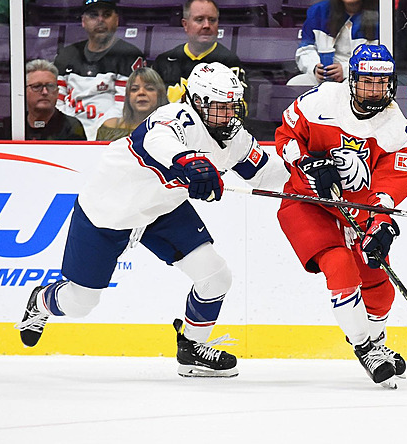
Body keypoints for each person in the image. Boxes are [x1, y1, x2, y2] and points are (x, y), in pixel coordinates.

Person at [15, 62, 288, 378]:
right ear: (198, 102)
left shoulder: (234, 137)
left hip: (162, 210)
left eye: (232, 105)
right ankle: (42, 301)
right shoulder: (172, 117)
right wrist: (189, 160)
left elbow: (267, 173)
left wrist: (305, 175)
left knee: (216, 276)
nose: (229, 113)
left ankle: (192, 349)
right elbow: (159, 140)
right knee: (80, 303)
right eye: (220, 106)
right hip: (109, 211)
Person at [275, 44, 407, 387]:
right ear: (352, 80)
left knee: (380, 287)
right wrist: (306, 163)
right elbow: (285, 136)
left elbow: (391, 183)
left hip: (357, 210)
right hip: (307, 203)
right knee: (339, 266)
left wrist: (382, 222)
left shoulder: (396, 128)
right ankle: (365, 347)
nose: (375, 90)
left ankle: (377, 342)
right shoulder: (320, 101)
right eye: (367, 81)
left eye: (381, 82)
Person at [54, 0, 146, 140]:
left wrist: (97, 134)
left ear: (116, 20)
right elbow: (57, 103)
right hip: (69, 134)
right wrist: (70, 129)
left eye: (107, 15)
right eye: (93, 15)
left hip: (110, 136)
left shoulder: (129, 55)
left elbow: (124, 107)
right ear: (83, 21)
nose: (100, 20)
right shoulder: (66, 55)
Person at [152, 0, 246, 103]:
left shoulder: (229, 63)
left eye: (212, 20)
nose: (207, 25)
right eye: (199, 19)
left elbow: (238, 110)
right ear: (185, 24)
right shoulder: (164, 61)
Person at [287, 0, 379, 86]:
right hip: (324, 78)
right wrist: (314, 67)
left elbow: (383, 60)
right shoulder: (319, 11)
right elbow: (305, 49)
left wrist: (347, 70)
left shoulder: (382, 13)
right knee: (296, 83)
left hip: (362, 79)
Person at [0, 59, 86, 141]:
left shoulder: (71, 127)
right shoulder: (5, 127)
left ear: (57, 92)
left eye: (50, 86)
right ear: (23, 91)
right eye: (37, 86)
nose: (45, 92)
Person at [96, 67, 168, 141]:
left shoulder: (172, 129)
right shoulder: (109, 127)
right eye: (134, 89)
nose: (141, 93)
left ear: (160, 94)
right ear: (128, 96)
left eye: (149, 88)